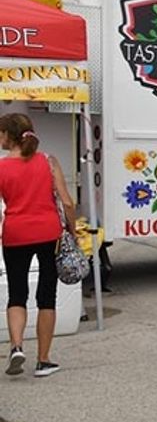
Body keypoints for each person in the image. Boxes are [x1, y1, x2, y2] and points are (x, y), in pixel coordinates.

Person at [0, 114, 76, 378]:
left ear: (9, 136)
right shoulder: (48, 161)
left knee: (17, 294)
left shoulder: (1, 167)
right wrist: (73, 231)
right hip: (49, 233)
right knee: (47, 296)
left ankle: (17, 347)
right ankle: (43, 361)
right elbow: (67, 203)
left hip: (15, 235)